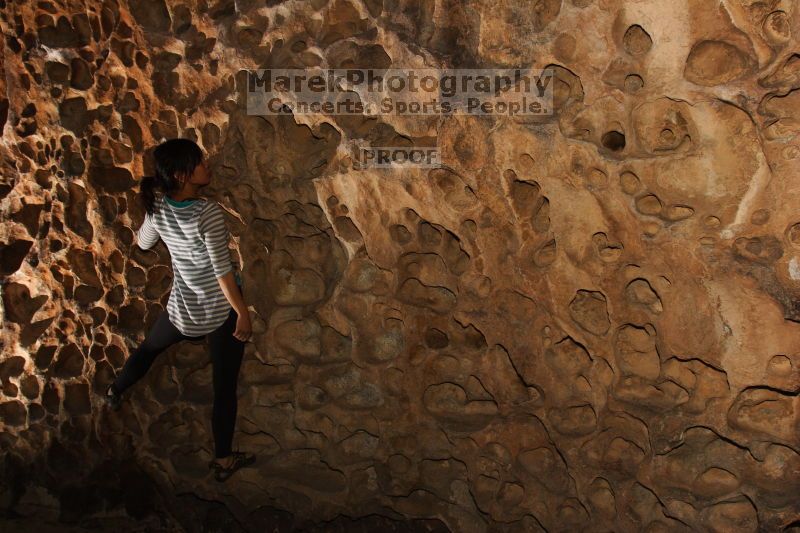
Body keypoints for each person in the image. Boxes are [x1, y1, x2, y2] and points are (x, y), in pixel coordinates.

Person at [104, 138, 255, 482]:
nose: (207, 166)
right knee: (224, 388)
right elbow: (222, 271)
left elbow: (143, 243)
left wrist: (155, 219)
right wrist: (242, 312)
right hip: (218, 313)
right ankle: (224, 460)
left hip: (183, 311)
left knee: (148, 349)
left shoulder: (158, 204)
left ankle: (115, 391)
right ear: (182, 174)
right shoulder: (207, 213)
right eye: (199, 163)